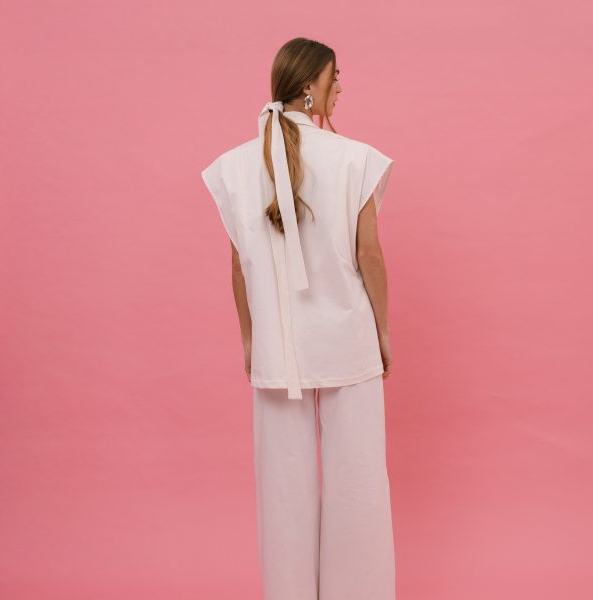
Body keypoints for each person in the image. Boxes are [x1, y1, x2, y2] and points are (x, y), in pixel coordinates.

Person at [201, 37, 396, 600]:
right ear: (310, 86)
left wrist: (249, 339)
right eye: (337, 76)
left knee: (282, 493)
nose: (341, 86)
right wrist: (382, 332)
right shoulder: (355, 158)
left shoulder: (235, 166)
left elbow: (238, 267)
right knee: (358, 484)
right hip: (348, 340)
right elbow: (370, 255)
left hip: (277, 349)